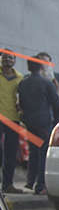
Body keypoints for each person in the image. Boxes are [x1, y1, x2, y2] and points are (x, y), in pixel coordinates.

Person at [17, 57, 59, 195]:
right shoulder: (47, 83)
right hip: (44, 122)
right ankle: (41, 185)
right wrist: (57, 88)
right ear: (42, 67)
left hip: (29, 122)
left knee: (33, 152)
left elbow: (20, 103)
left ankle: (30, 181)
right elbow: (56, 103)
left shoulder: (22, 83)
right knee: (43, 153)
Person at [0, 52, 24, 194]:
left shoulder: (20, 78)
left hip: (13, 118)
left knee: (10, 153)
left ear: (14, 60)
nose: (7, 60)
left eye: (10, 57)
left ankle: (8, 184)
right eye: (4, 57)